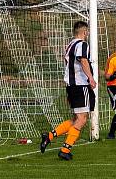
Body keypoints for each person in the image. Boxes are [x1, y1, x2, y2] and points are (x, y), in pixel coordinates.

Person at [40, 21, 96, 161]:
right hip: (80, 85)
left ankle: (50, 136)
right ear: (84, 32)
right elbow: (83, 60)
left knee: (76, 119)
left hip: (71, 86)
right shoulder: (82, 44)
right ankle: (65, 150)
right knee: (82, 119)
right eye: (87, 32)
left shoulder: (70, 45)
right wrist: (91, 78)